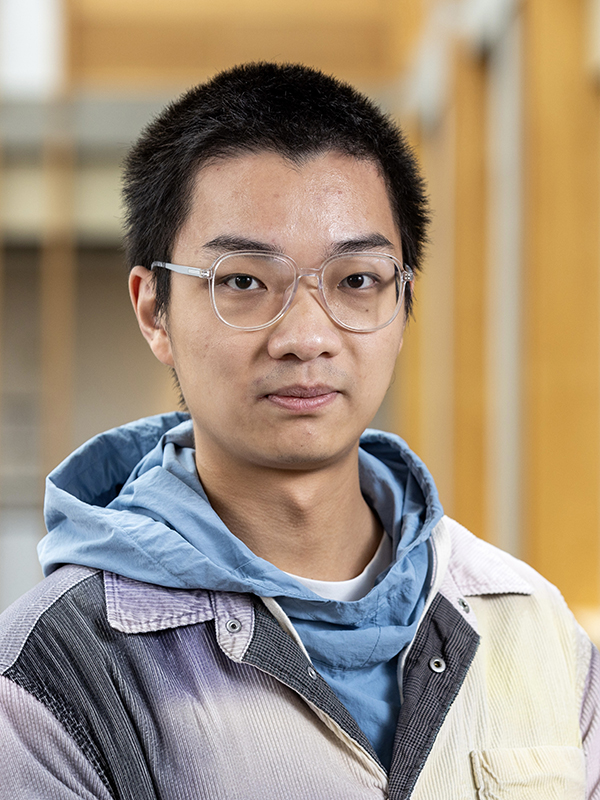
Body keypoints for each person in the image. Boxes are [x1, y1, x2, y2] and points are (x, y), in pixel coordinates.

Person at [0, 62, 598, 800]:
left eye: (356, 281)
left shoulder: (533, 628)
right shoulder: (59, 673)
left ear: (403, 303)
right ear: (154, 309)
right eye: (244, 282)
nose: (307, 336)